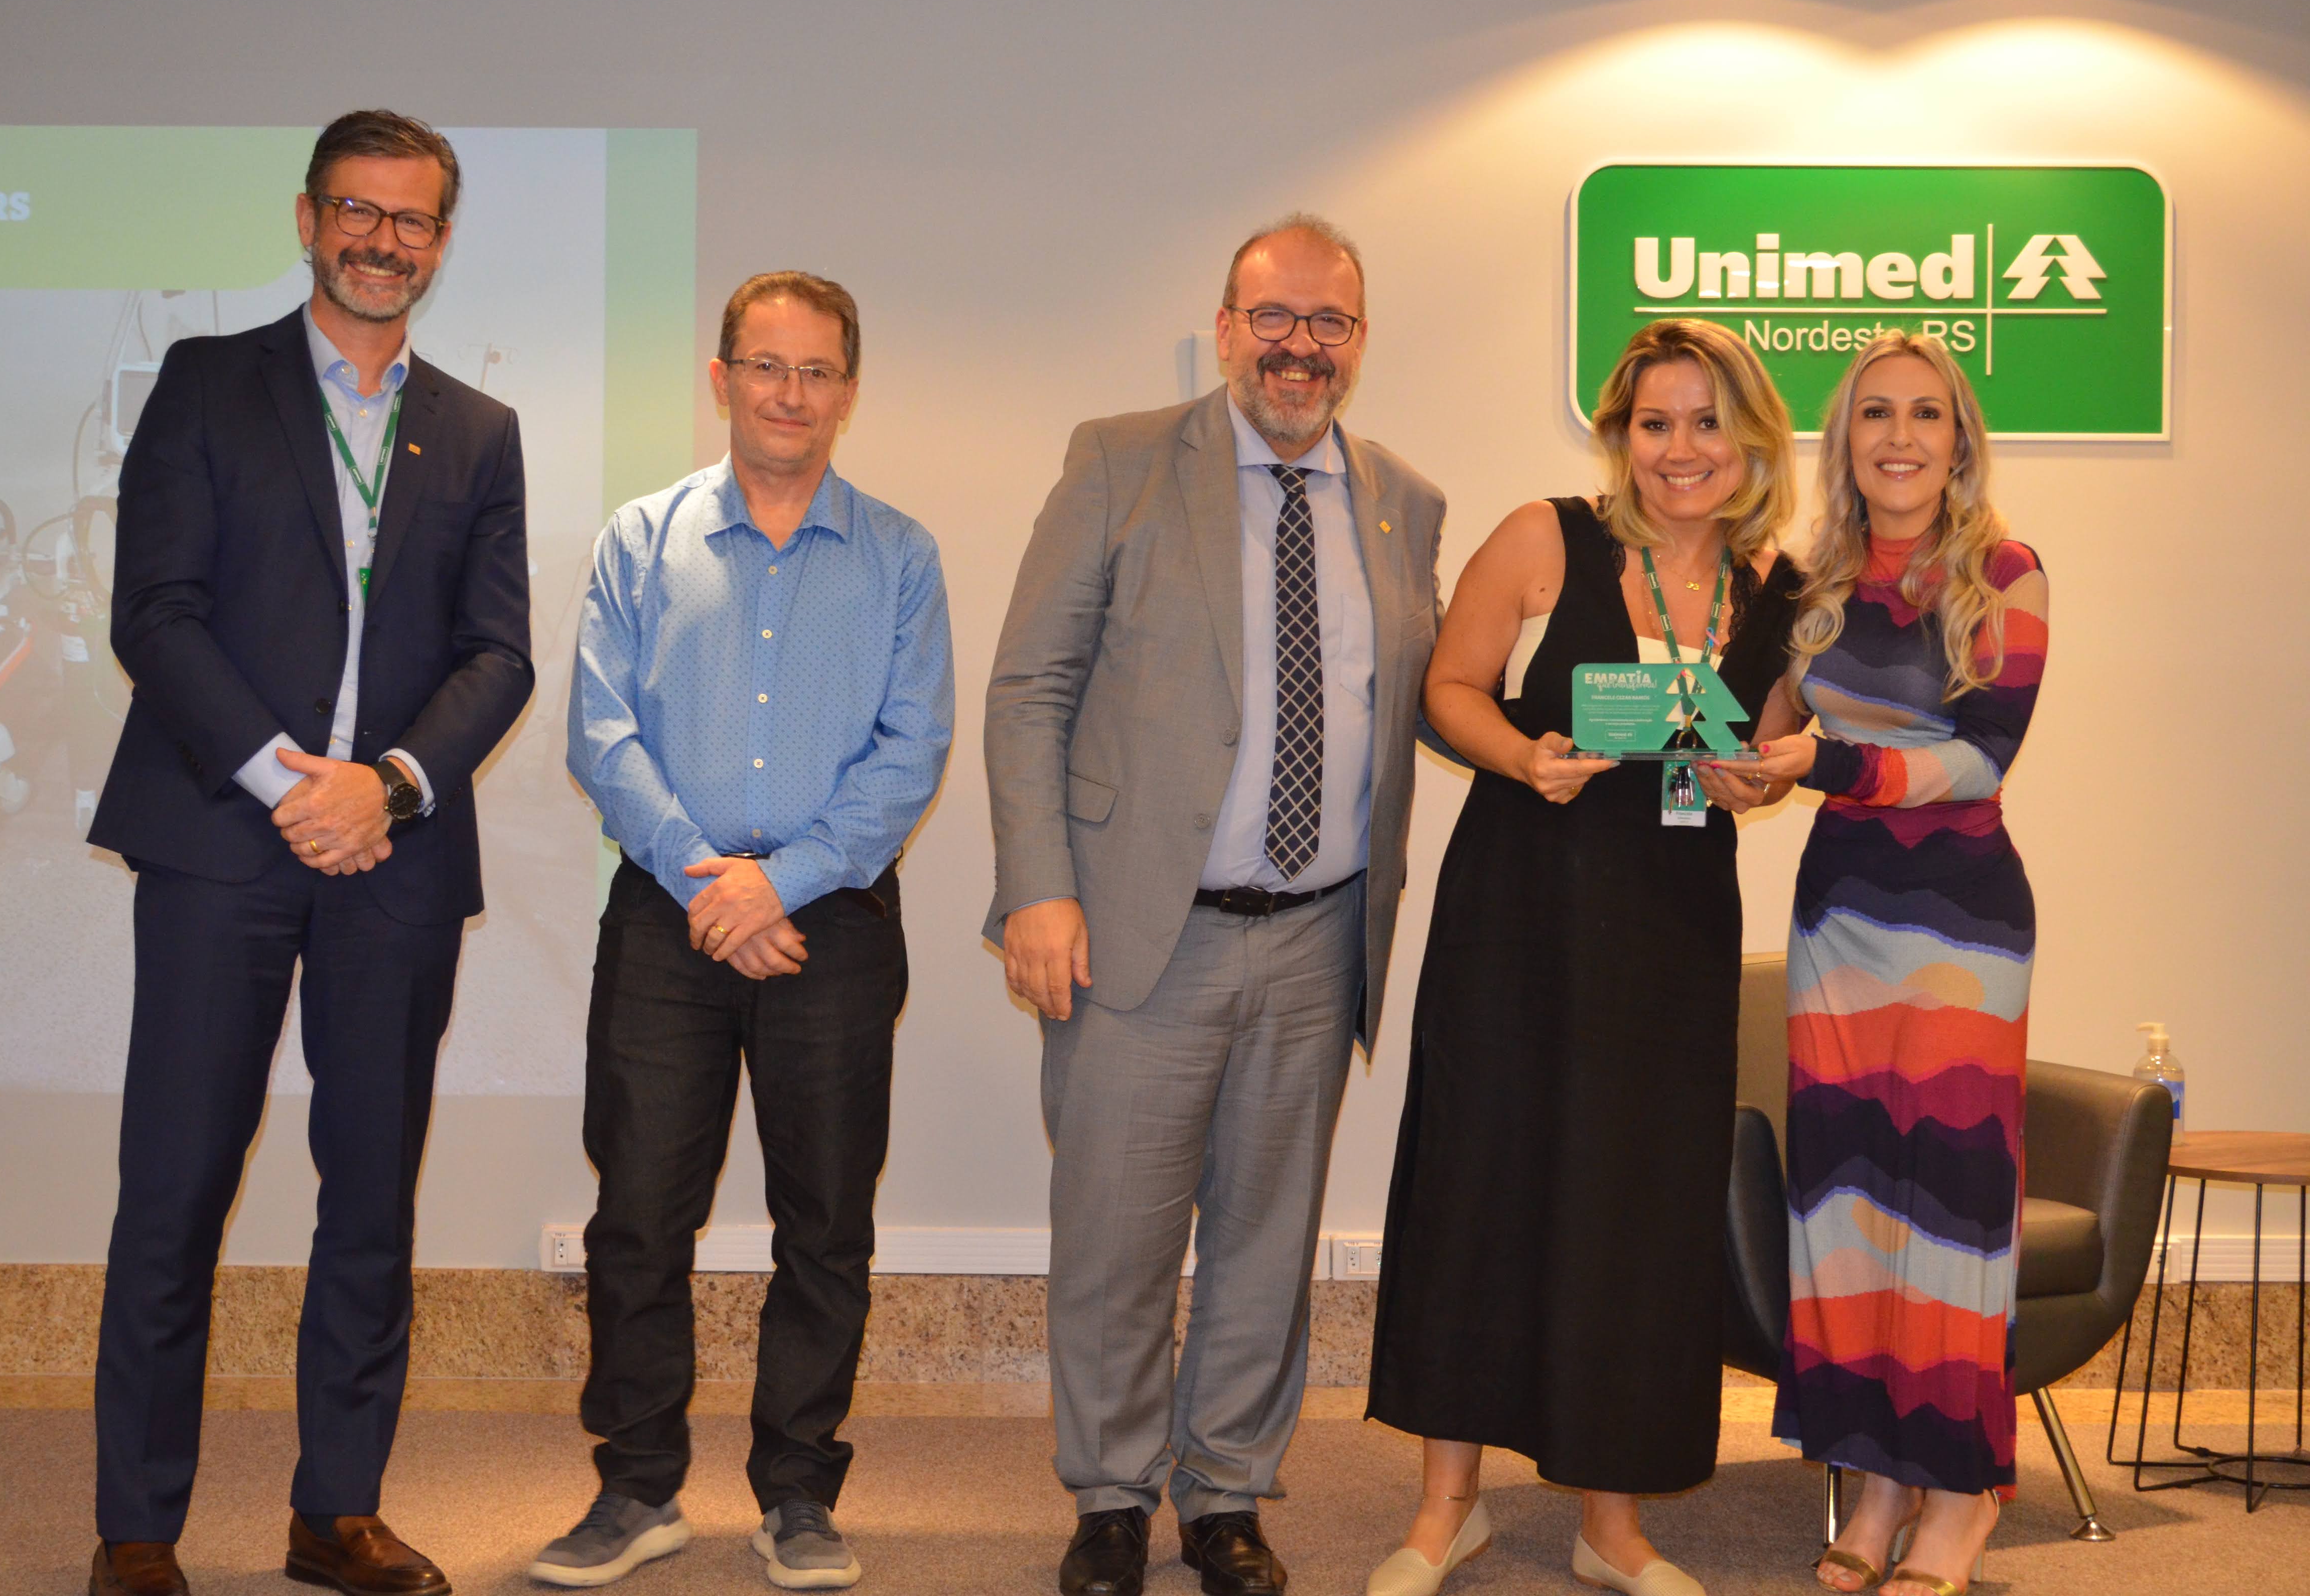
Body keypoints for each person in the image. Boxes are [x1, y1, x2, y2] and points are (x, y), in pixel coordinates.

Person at [86, 111, 533, 1596]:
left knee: (371, 1194)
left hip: (394, 859)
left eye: (412, 220)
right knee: (175, 1187)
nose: (382, 242)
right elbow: (154, 612)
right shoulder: (207, 383)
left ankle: (335, 1510)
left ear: (441, 242)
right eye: (358, 211)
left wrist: (386, 789)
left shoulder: (479, 429)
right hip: (223, 840)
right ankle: (137, 1528)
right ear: (308, 218)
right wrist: (294, 784)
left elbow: (500, 654)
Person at [987, 214, 1446, 1596]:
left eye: (1329, 323)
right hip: (1141, 931)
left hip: (1319, 934)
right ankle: (1111, 1496)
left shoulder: (1404, 500)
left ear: (1359, 341)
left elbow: (1423, 700)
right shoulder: (1120, 460)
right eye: (1275, 318)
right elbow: (1030, 689)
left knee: (1266, 1240)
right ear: (1228, 326)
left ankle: (1228, 1494)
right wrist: (1038, 890)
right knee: (1115, 1240)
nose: (1300, 348)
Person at [1363, 319, 1802, 1596]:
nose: (1681, 450)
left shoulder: (1779, 589)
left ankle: (1611, 1526)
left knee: (1638, 1212)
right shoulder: (1542, 537)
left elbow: (1770, 752)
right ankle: (1447, 1509)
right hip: (1515, 923)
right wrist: (1520, 755)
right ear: (1619, 437)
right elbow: (1449, 688)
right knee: (1480, 1184)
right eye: (1655, 424)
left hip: (1670, 941)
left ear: (1751, 440)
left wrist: (1753, 781)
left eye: (1707, 423)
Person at [539, 271, 953, 1592]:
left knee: (824, 1220)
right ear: (722, 379)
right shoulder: (639, 539)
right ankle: (637, 1487)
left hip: (832, 923)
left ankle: (798, 1494)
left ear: (848, 391)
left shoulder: (901, 556)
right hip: (667, 919)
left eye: (817, 371)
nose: (791, 393)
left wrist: (780, 887)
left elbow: (911, 750)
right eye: (767, 367)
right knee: (637, 1214)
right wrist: (711, 883)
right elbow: (600, 732)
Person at [1748, 333, 2047, 1596]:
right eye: (1876, 413)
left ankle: (1960, 1497)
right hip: (1840, 919)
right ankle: (1875, 1484)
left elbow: (1979, 759)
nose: (1900, 437)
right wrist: (1710, 754)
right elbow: (1758, 733)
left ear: (1959, 439)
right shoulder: (1808, 577)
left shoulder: (2006, 575)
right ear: (1846, 439)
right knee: (1849, 1207)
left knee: (1949, 1209)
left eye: (1927, 414)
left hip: (1960, 927)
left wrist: (1826, 763)